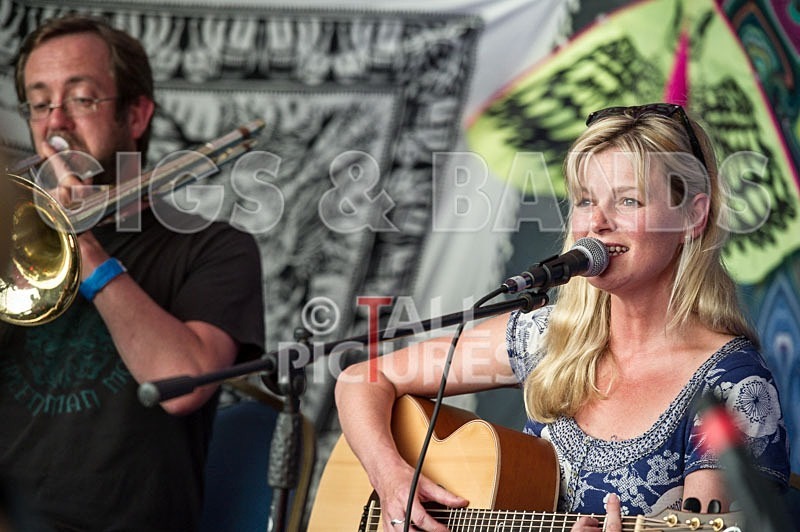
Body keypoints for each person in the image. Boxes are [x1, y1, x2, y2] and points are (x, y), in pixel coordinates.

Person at [335, 103, 791, 531]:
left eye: (628, 201)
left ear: (692, 217)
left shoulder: (734, 386)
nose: (596, 222)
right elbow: (362, 380)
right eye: (585, 200)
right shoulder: (546, 337)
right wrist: (392, 479)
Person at [0, 14, 265, 531]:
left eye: (81, 98)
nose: (56, 122)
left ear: (136, 114)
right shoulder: (6, 240)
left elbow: (181, 385)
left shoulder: (215, 248)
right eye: (39, 103)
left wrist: (82, 243)